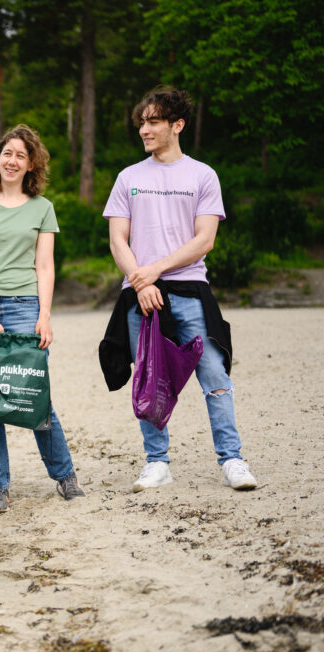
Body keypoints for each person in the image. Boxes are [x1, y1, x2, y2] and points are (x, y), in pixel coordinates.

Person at [102, 87, 257, 493]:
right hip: (140, 295)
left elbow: (204, 240)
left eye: (154, 122)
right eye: (142, 122)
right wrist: (141, 282)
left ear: (178, 125)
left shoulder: (203, 175)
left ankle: (232, 460)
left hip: (188, 291)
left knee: (215, 376)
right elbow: (118, 240)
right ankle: (157, 463)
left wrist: (153, 271)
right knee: (149, 382)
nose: (145, 130)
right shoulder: (129, 177)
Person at [0, 124, 84, 515]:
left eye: (21, 156)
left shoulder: (42, 208)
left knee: (32, 394)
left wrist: (44, 316)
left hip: (25, 306)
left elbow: (45, 267)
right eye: (7, 153)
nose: (12, 161)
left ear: (32, 165)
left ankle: (64, 476)